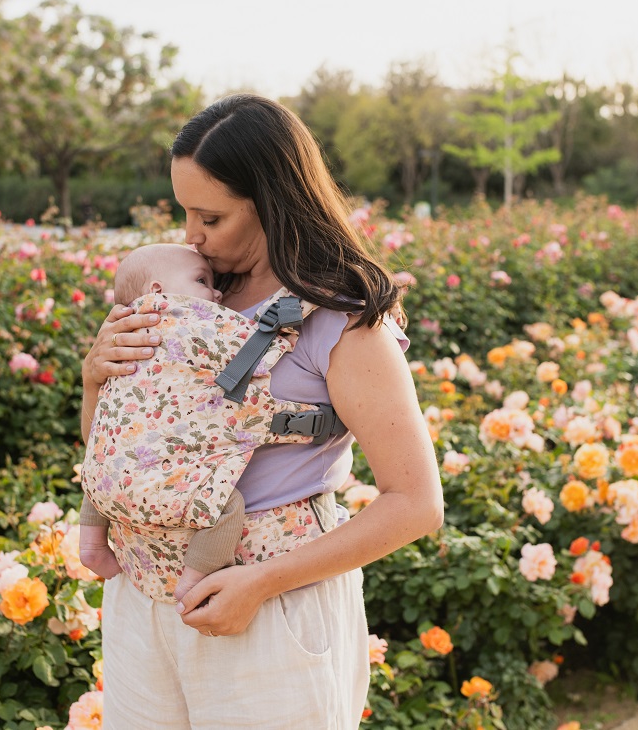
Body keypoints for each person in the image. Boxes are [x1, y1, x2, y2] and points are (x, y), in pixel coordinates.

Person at [79, 94, 443, 728]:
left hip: (269, 607)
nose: (190, 234)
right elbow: (121, 455)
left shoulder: (342, 321)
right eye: (183, 210)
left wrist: (261, 583)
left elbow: (415, 503)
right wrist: (96, 382)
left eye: (211, 217)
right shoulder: (182, 291)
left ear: (274, 203)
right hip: (141, 599)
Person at [79, 241, 273, 601]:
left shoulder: (121, 334)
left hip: (111, 470)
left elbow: (96, 430)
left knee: (99, 468)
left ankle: (90, 545)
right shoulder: (195, 322)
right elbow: (255, 349)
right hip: (166, 477)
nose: (215, 292)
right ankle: (193, 579)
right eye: (202, 280)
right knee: (227, 507)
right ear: (158, 291)